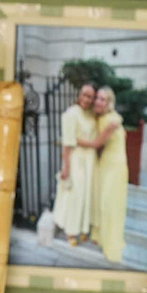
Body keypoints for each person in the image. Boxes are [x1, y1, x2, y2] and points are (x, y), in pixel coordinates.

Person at [51, 83, 98, 244]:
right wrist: (66, 167)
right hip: (76, 158)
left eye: (90, 96)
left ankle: (83, 228)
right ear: (79, 95)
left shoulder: (91, 115)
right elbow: (67, 142)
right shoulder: (71, 113)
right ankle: (71, 232)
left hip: (90, 160)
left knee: (86, 194)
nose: (87, 99)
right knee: (75, 195)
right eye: (84, 95)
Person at [89, 86, 130, 264]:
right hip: (107, 163)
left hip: (115, 166)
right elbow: (124, 136)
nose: (98, 101)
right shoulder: (107, 119)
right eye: (97, 98)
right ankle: (99, 235)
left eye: (103, 99)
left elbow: (97, 144)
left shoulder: (111, 121)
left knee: (110, 204)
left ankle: (109, 242)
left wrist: (71, 141)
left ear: (109, 103)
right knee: (104, 201)